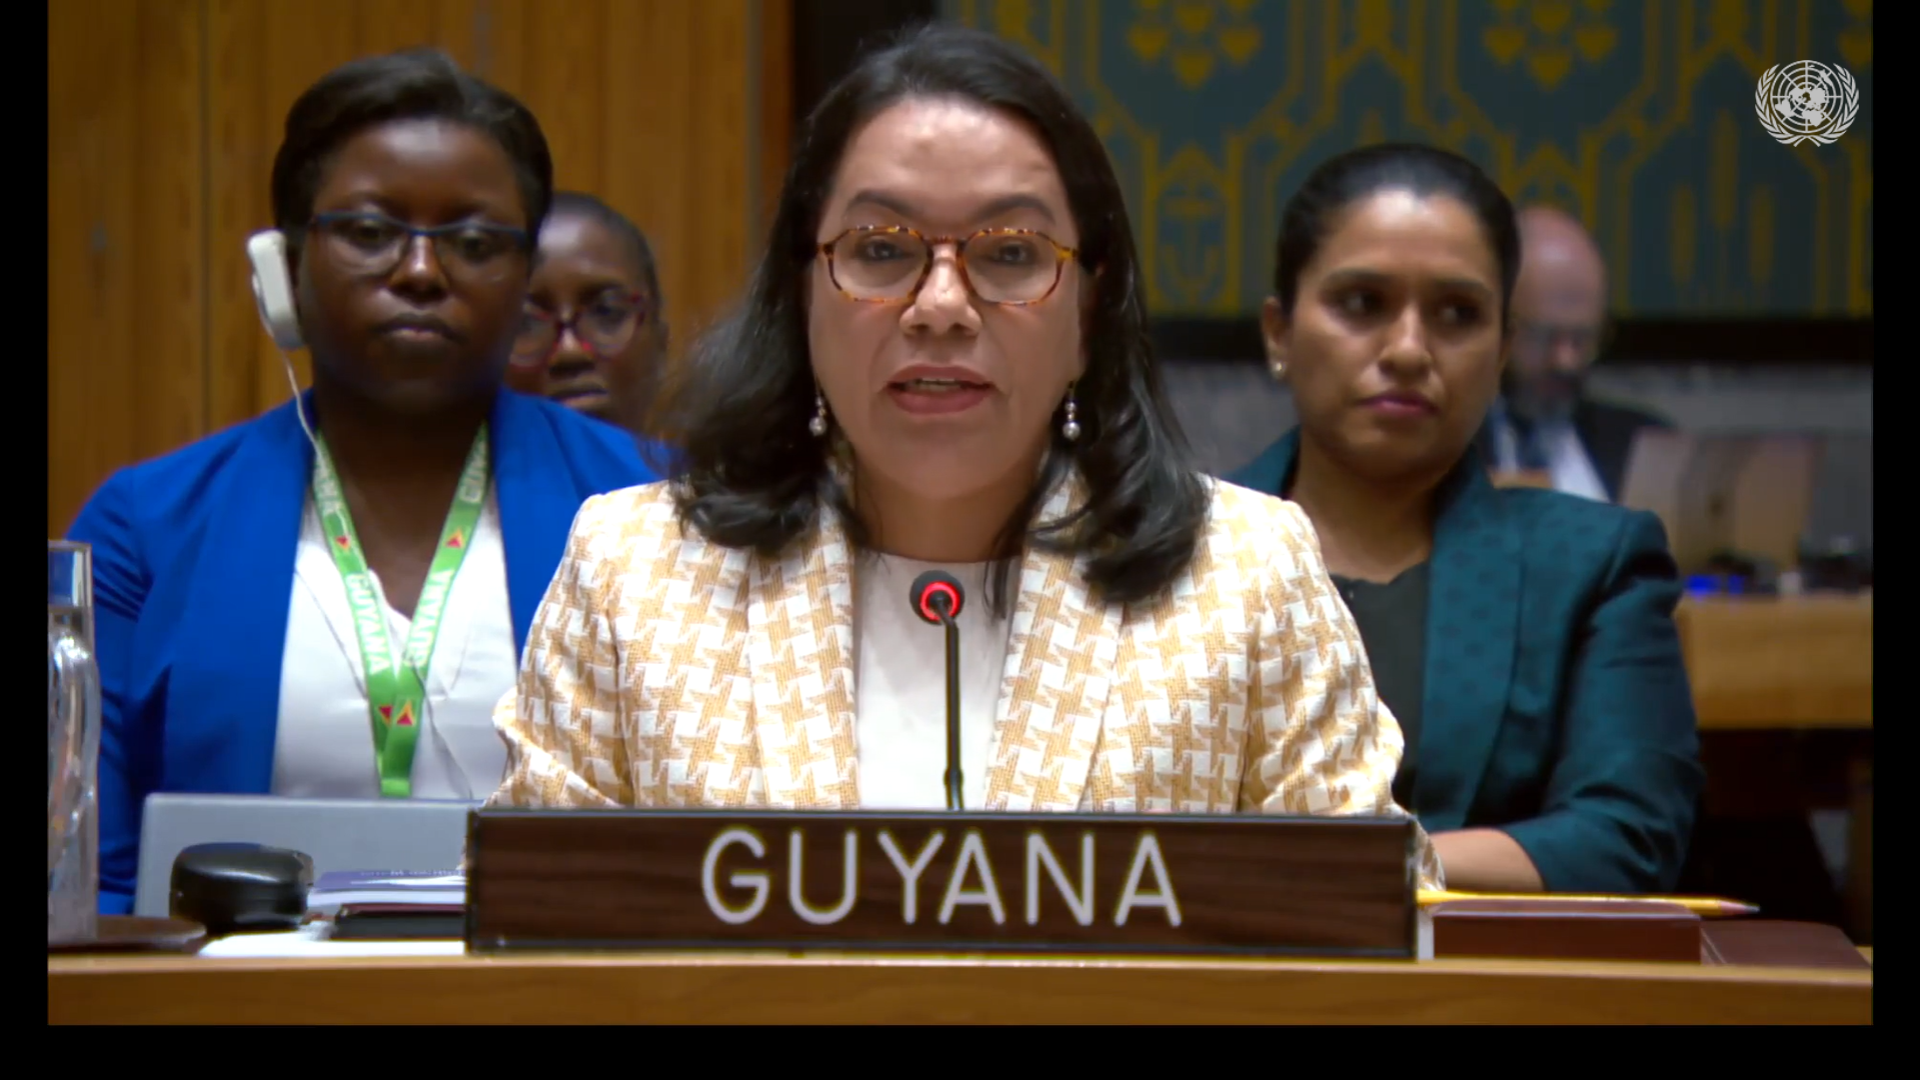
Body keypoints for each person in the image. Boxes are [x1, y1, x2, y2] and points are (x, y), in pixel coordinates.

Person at [483, 23, 1441, 889]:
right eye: (881, 249)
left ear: (1087, 311)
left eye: (1012, 253)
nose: (941, 304)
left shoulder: (1246, 574)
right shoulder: (634, 573)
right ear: (804, 291)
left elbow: (1370, 924)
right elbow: (540, 938)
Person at [65, 49, 665, 915]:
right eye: (371, 232)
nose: (421, 272)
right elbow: (94, 884)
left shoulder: (659, 509)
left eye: (471, 240)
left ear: (523, 276)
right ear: (286, 271)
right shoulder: (143, 528)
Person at [1226, 145, 1702, 894]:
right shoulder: (1170, 549)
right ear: (1280, 332)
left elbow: (1625, 838)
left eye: (1457, 314)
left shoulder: (1592, 563)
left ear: (1502, 347)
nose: (1409, 349)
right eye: (1362, 304)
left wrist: (1371, 868)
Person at [1477, 205, 1668, 501]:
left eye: (1582, 339)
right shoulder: (1440, 450)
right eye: (1544, 337)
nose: (1565, 361)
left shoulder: (1644, 446)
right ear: (1495, 324)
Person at [506, 191, 670, 438]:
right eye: (527, 322)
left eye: (606, 312)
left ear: (660, 344)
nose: (570, 351)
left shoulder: (699, 477)